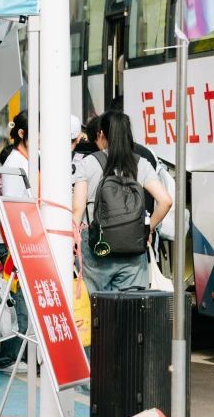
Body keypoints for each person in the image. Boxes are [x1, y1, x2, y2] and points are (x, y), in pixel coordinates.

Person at [71, 110, 172, 294]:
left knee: (95, 305)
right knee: (130, 307)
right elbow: (165, 201)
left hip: (96, 246)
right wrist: (147, 229)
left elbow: (77, 209)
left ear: (102, 134)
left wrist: (72, 241)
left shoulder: (88, 163)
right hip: (132, 247)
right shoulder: (141, 164)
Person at [0, 110, 32, 199]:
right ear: (21, 133)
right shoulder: (13, 163)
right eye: (37, 132)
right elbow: (12, 202)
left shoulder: (30, 157)